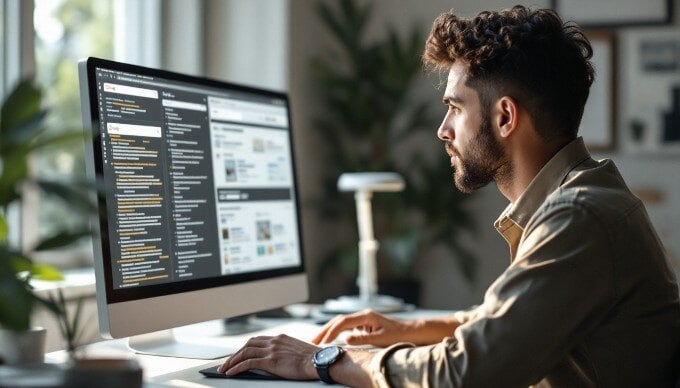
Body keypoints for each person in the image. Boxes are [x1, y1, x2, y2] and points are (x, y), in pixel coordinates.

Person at [217, 5, 680, 386]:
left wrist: (321, 360)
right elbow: (511, 327)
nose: (443, 130)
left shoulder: (578, 215)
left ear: (504, 118)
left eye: (456, 107)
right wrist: (411, 329)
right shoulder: (584, 197)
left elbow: (467, 371)